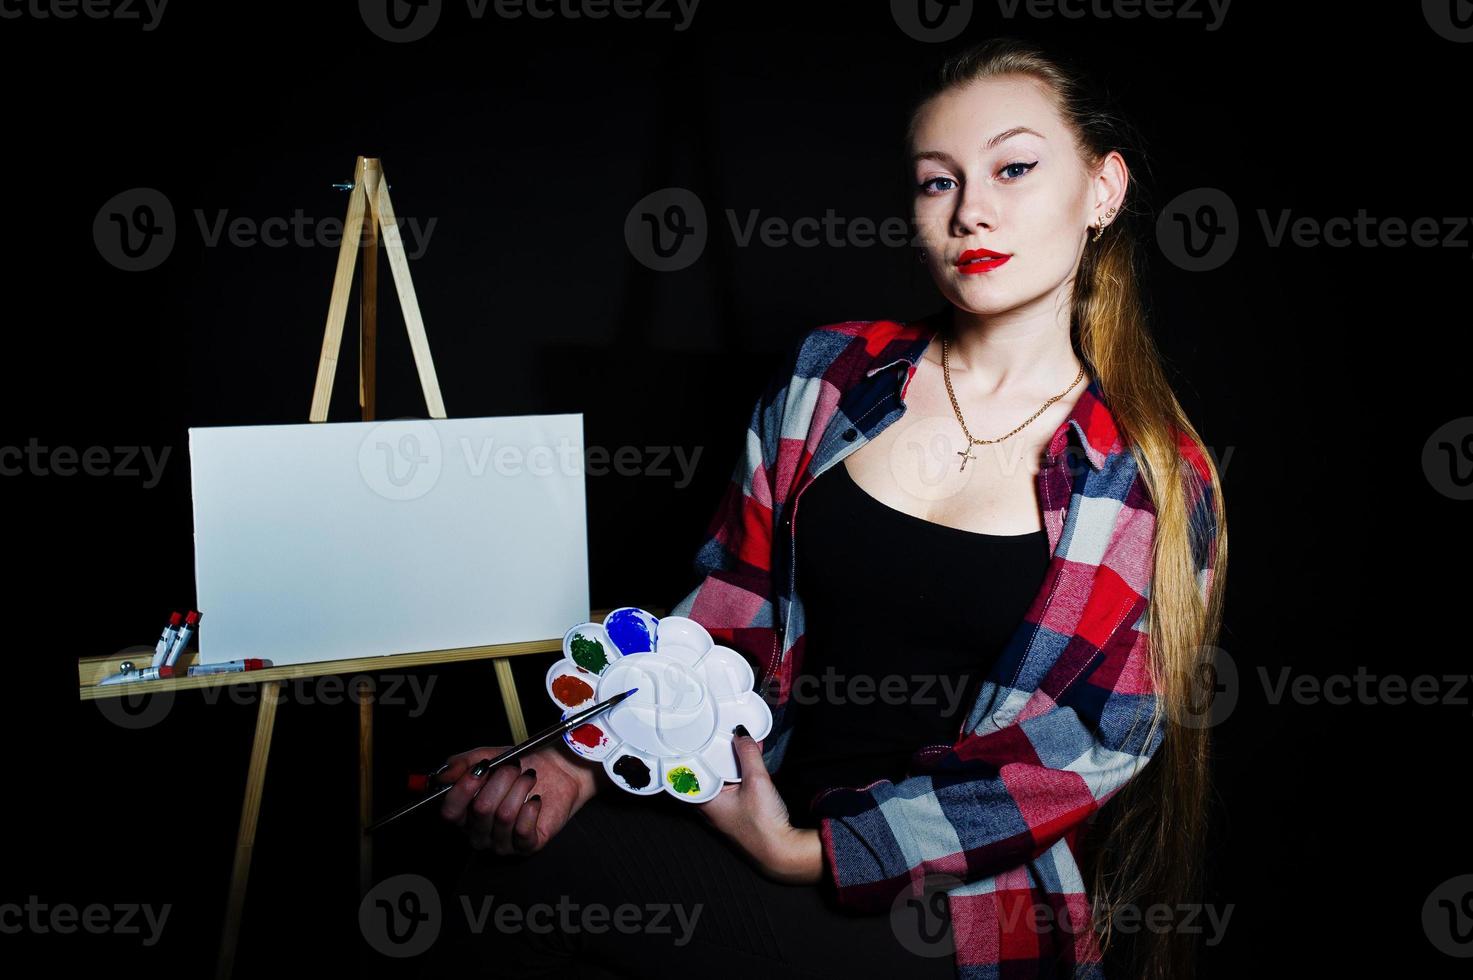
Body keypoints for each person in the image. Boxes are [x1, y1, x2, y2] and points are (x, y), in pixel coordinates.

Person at [419, 35, 1227, 980]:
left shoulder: (1148, 476)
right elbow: (728, 612)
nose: (972, 211)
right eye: (937, 182)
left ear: (1101, 191)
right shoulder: (831, 375)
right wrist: (578, 759)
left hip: (950, 904)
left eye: (1013, 167)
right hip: (750, 807)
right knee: (498, 856)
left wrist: (814, 852)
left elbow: (1086, 749)